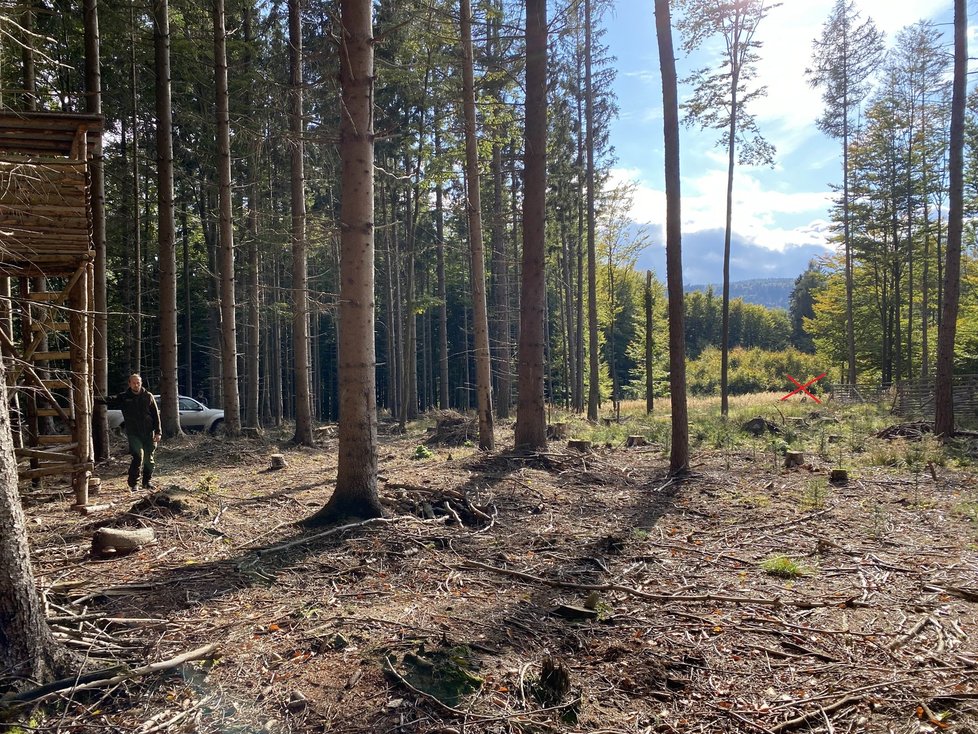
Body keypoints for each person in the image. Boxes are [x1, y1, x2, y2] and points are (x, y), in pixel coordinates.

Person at [102, 374, 162, 490]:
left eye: (138, 383)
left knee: (149, 459)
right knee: (138, 456)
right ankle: (133, 483)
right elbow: (109, 400)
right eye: (134, 383)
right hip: (134, 433)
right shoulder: (124, 397)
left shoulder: (148, 396)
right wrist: (91, 398)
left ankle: (147, 482)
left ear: (141, 383)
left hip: (149, 433)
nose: (136, 385)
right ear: (129, 384)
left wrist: (158, 432)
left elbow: (156, 415)